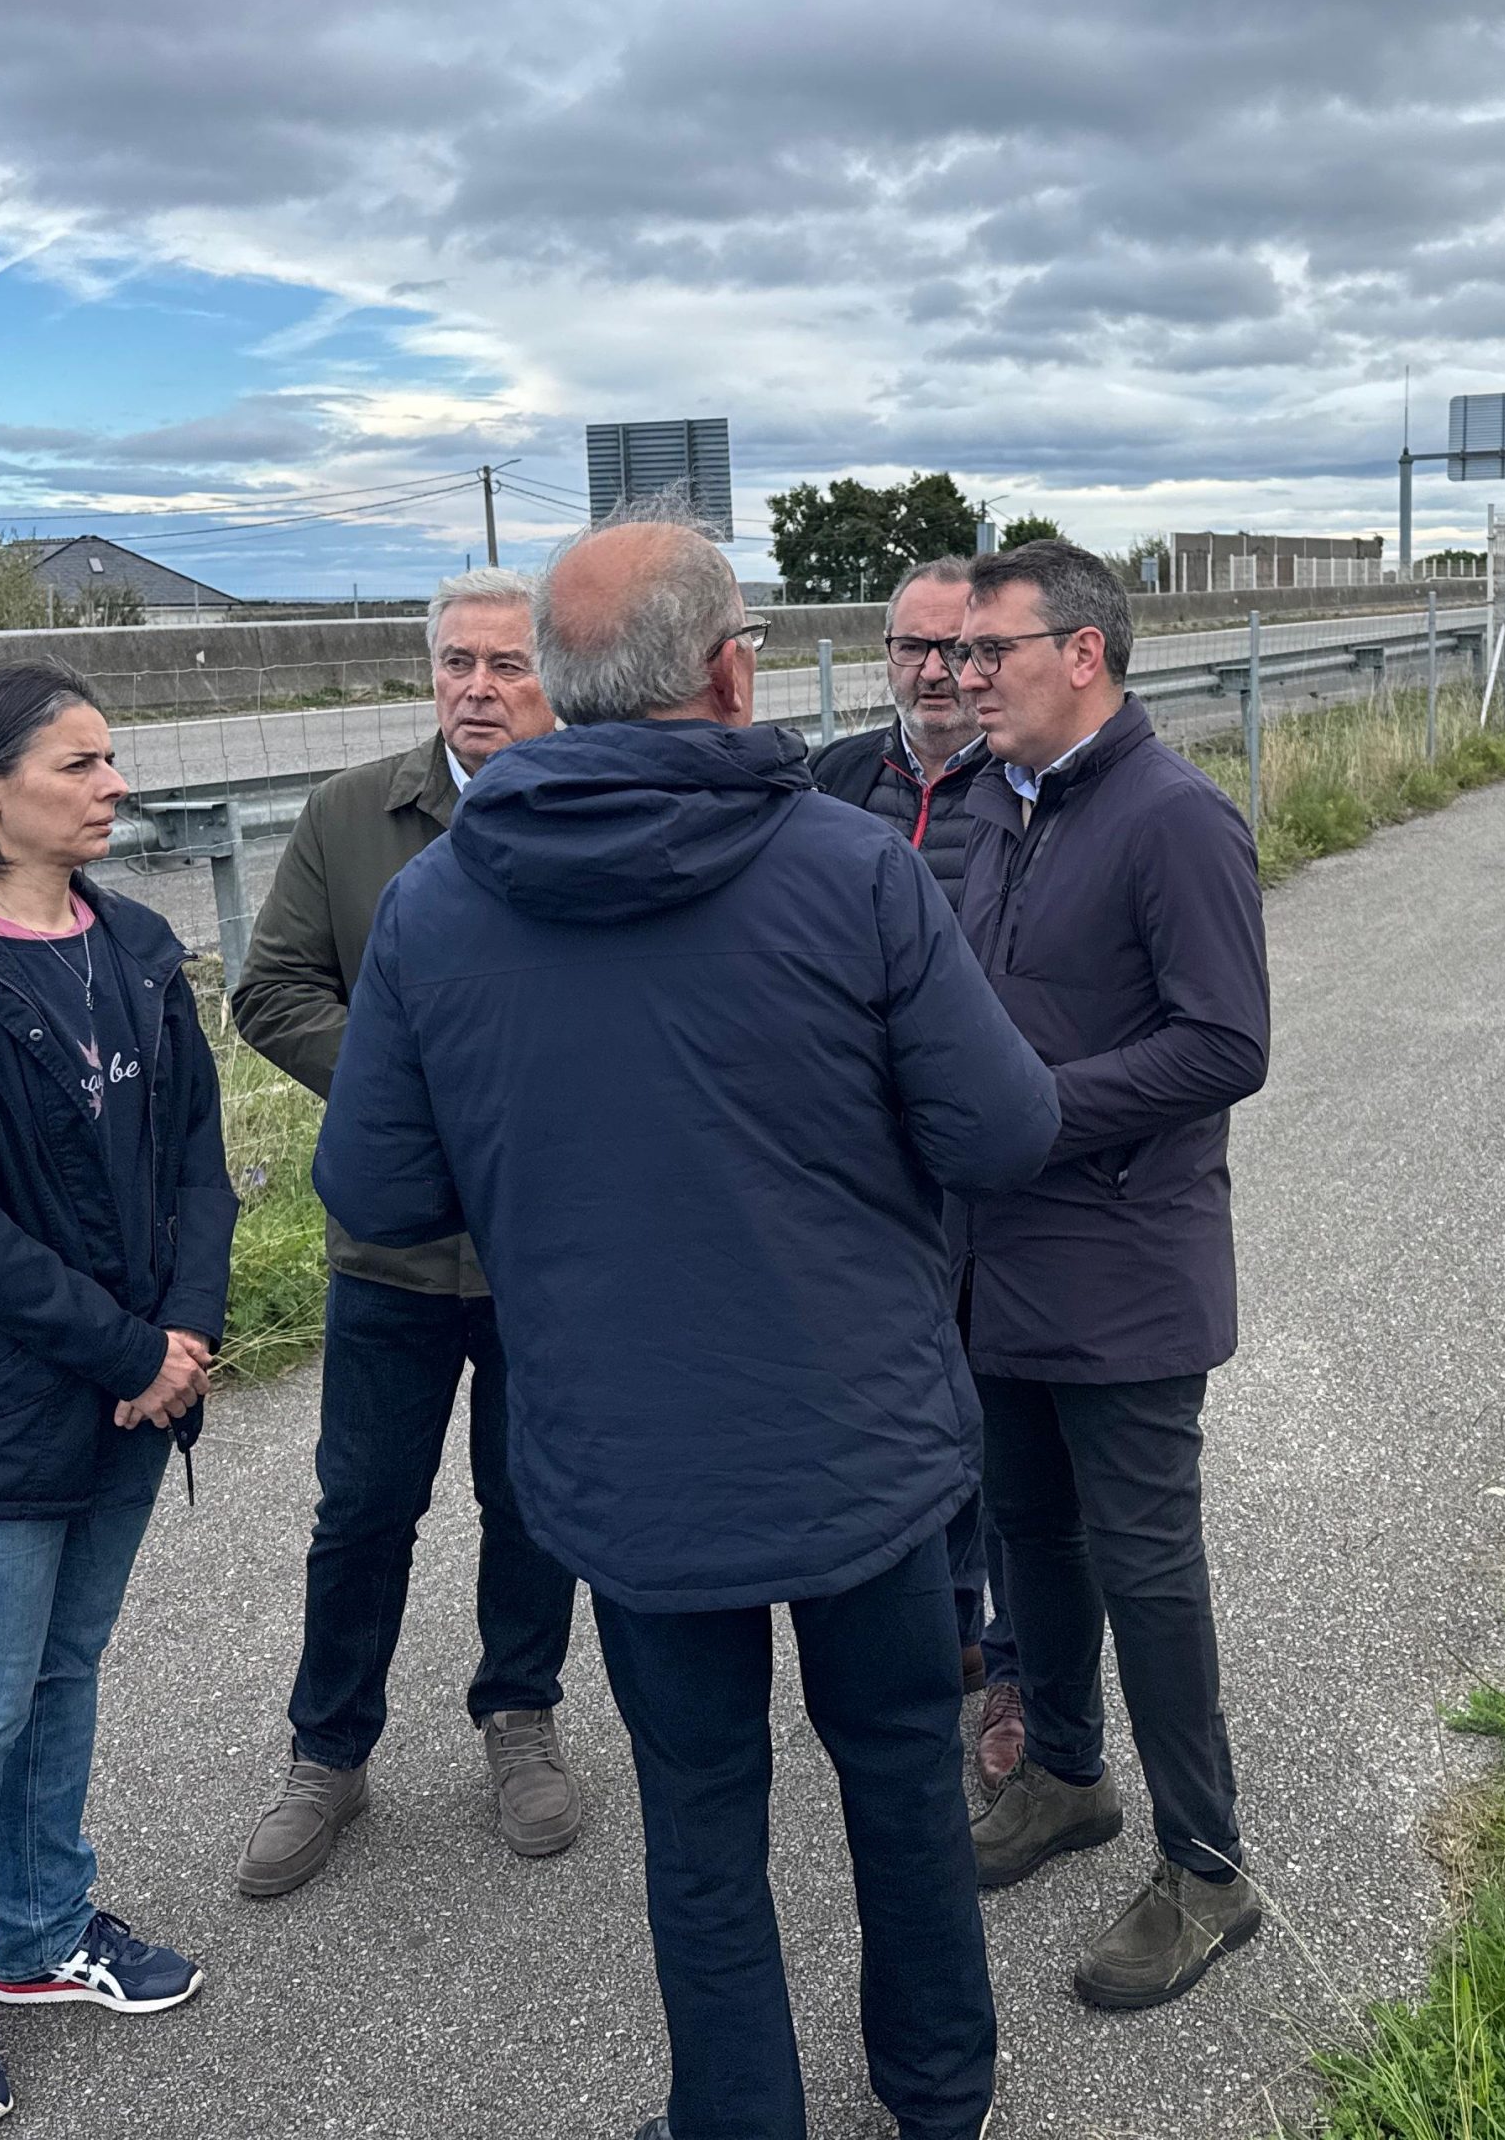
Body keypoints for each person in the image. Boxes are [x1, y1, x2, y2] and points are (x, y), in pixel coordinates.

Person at [313, 511, 1058, 2140]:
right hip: (862, 1441)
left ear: (564, 693)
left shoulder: (444, 905)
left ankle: (739, 2116)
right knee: (894, 1778)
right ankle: (939, 2094)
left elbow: (373, 1182)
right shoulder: (852, 869)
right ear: (731, 671)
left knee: (702, 1818)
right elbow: (1004, 1131)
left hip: (628, 1463)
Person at [0, 661, 237, 2134]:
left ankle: (43, 1936)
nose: (112, 784)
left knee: (64, 1675)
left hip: (136, 1389)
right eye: (78, 764)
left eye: (111, 758)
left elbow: (196, 1159)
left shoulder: (136, 946)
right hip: (0, 1409)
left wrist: (187, 1329)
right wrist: (129, 1351)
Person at [948, 537, 1272, 2013]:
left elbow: (1226, 1043)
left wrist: (1039, 1109)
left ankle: (1206, 1867)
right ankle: (1066, 1777)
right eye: (956, 654)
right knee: (1030, 1534)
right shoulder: (1010, 811)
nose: (965, 677)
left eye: (991, 652)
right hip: (999, 1262)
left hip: (1125, 1268)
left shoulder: (1173, 818)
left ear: (1081, 654)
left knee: (1146, 1566)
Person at [226, 568, 583, 1899]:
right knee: (364, 1503)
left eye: (506, 665)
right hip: (387, 1245)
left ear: (554, 678)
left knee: (531, 1497)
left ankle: (519, 1715)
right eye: (454, 664)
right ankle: (329, 1751)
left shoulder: (596, 809)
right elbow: (270, 991)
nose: (477, 688)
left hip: (542, 1249)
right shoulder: (350, 814)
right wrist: (413, 1095)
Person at [809, 554, 1023, 1790]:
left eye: (965, 650)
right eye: (914, 649)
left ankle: (1013, 1664)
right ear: (882, 654)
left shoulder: (1025, 784)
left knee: (996, 1409)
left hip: (984, 1162)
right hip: (862, 1172)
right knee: (908, 1399)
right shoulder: (835, 780)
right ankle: (937, 1624)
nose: (940, 673)